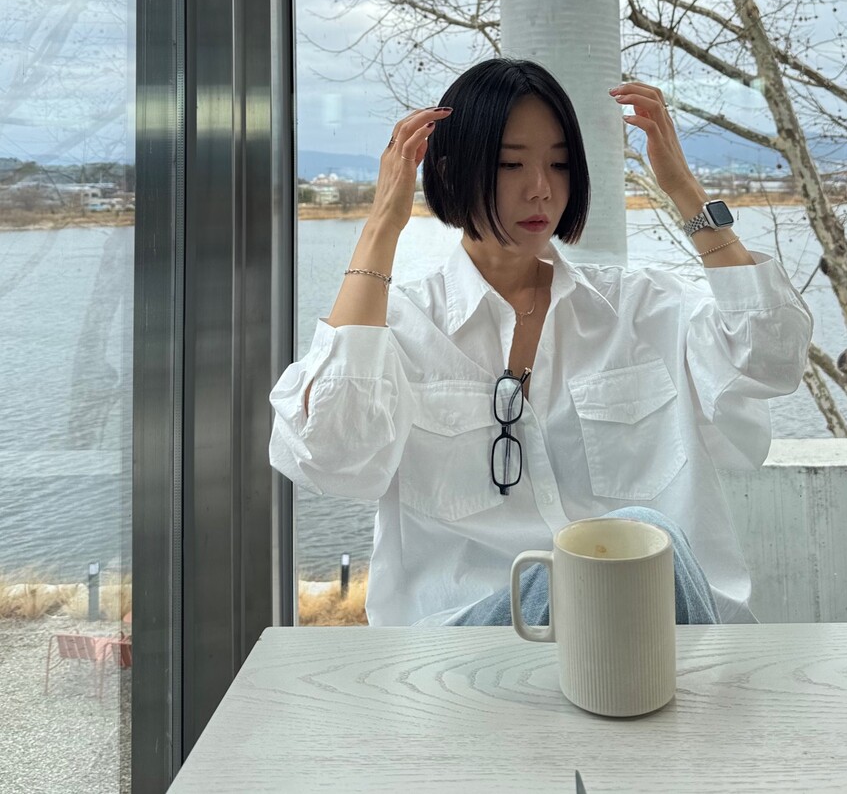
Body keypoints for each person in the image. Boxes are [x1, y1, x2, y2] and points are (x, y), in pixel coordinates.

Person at [269, 58, 813, 627]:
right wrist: (382, 226)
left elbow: (771, 359)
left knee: (644, 547)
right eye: (511, 165)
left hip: (655, 639)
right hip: (471, 649)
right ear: (451, 171)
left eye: (559, 164)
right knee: (624, 549)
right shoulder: (403, 329)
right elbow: (331, 456)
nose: (541, 189)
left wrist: (685, 190)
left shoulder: (642, 309)